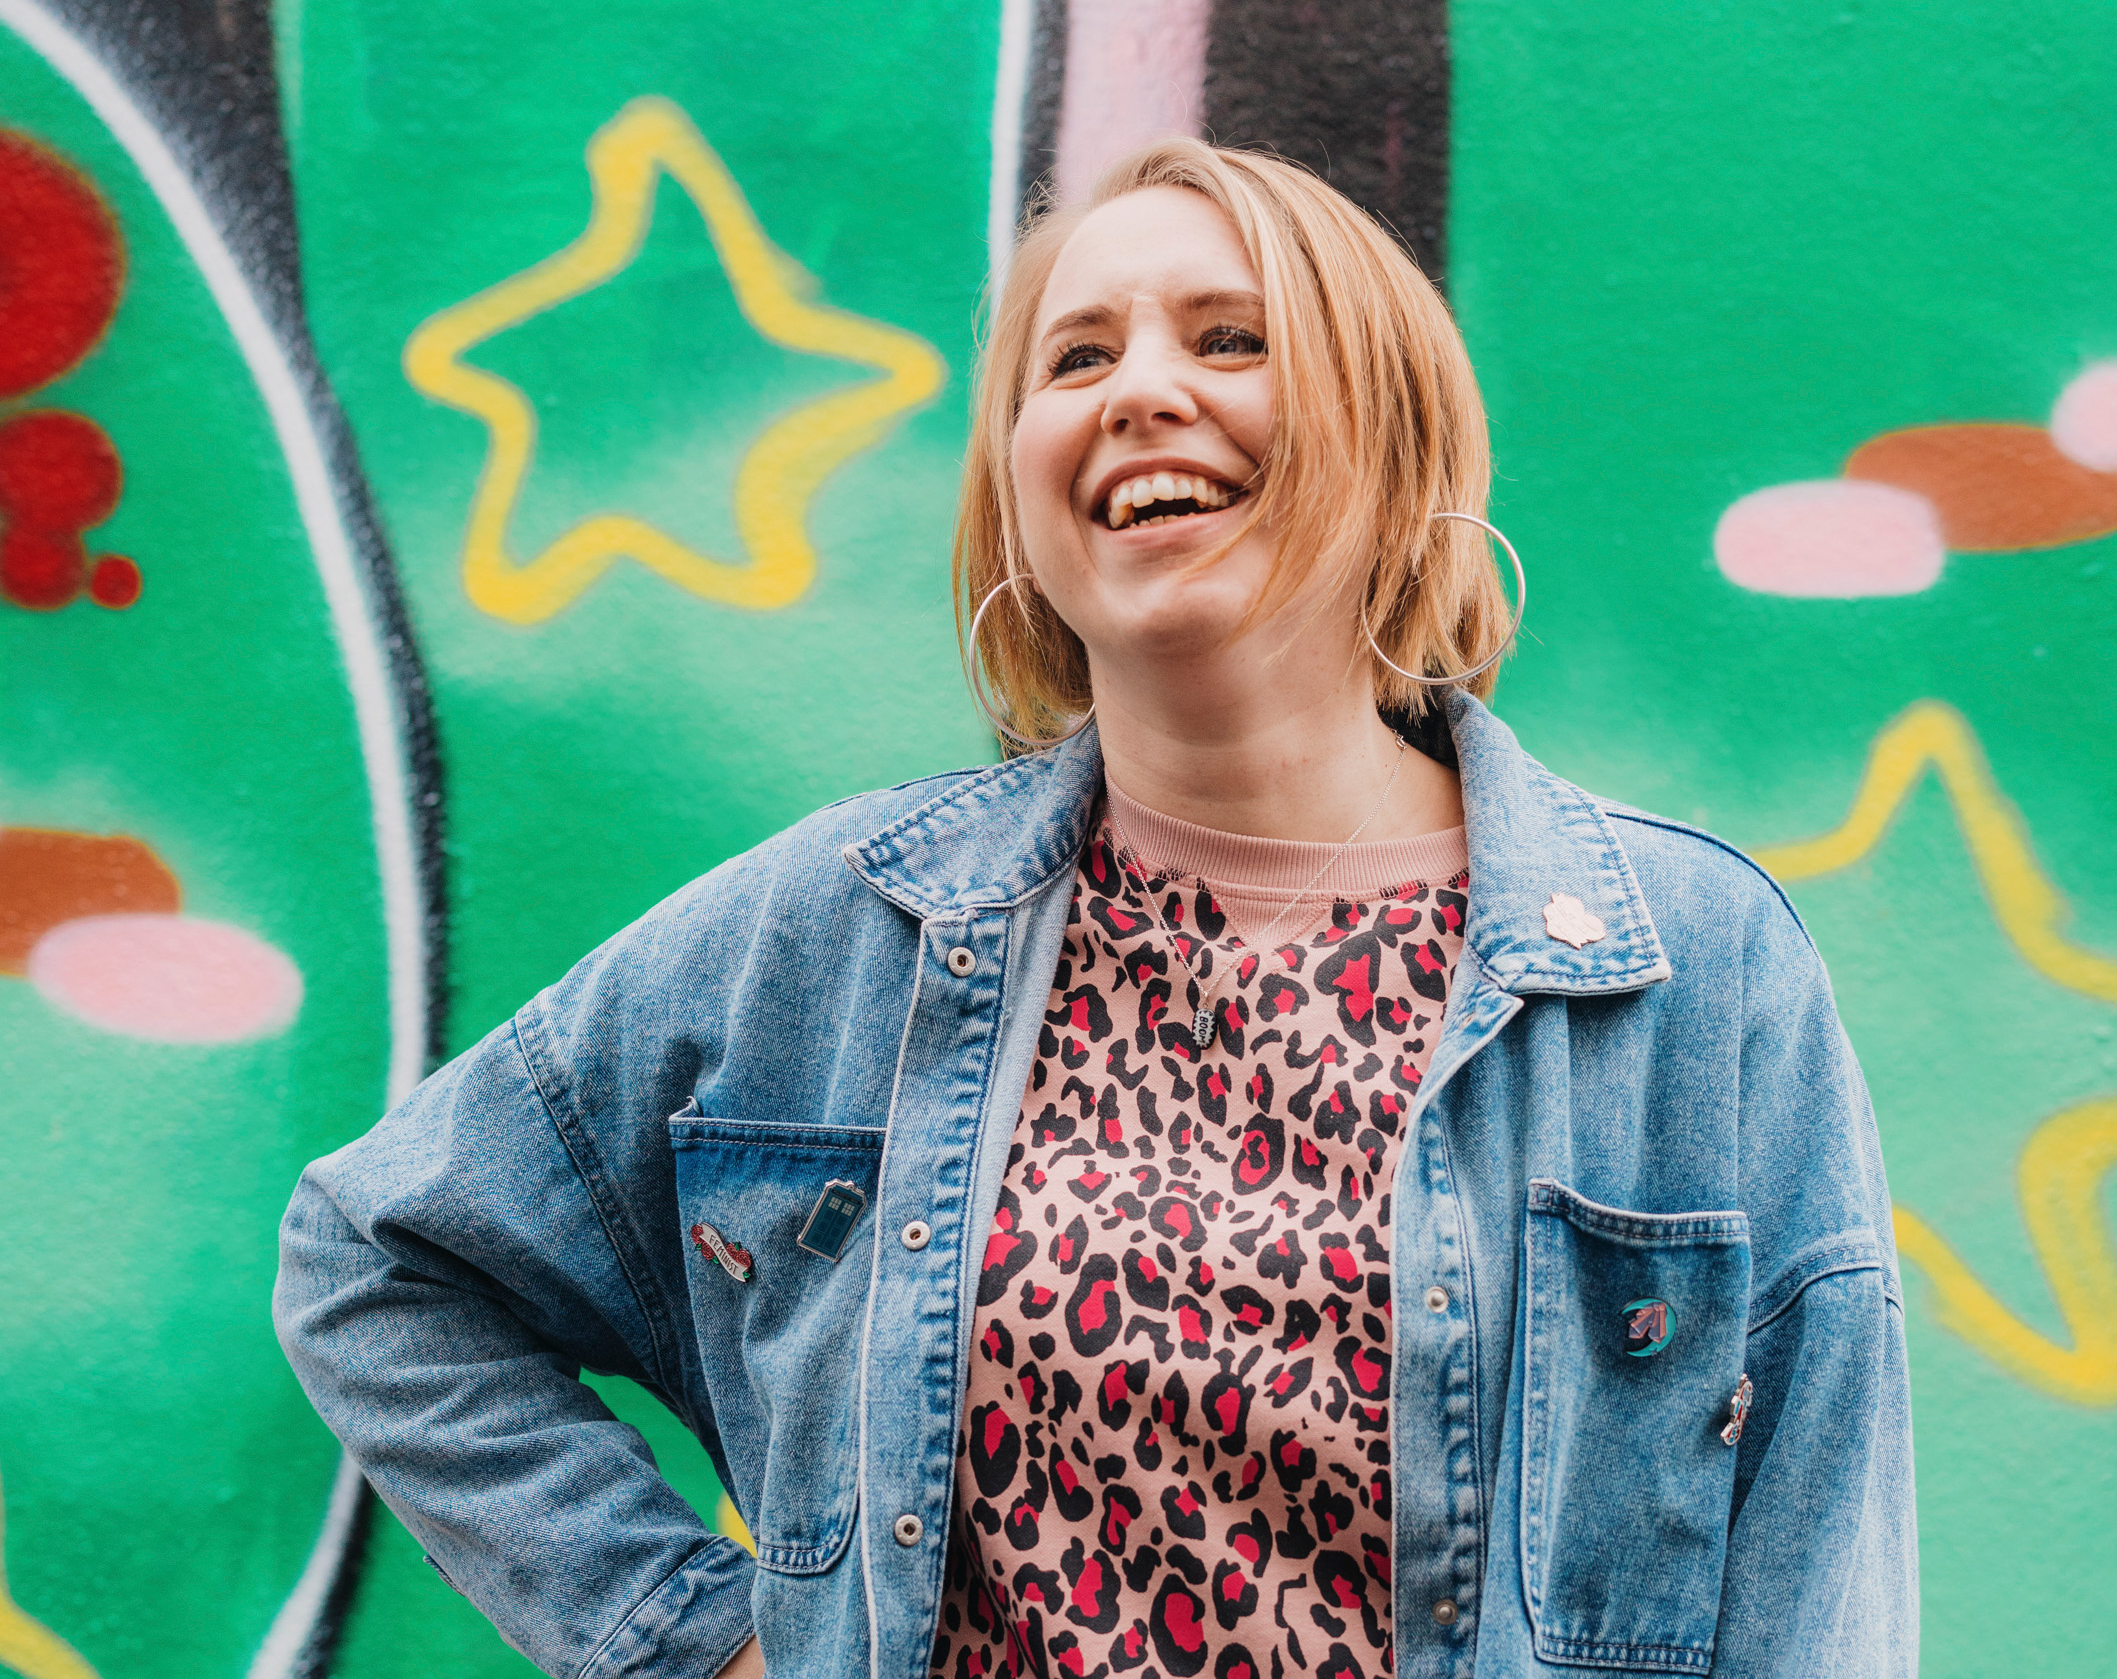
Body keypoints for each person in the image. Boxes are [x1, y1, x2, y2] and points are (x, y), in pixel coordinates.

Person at [276, 138, 1915, 1679]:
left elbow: (1822, 1566)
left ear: (1394, 433)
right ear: (1023, 502)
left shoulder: (1690, 970)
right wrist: (695, 1636)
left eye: (1230, 337)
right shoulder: (843, 934)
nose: (1141, 392)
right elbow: (376, 1261)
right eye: (1076, 361)